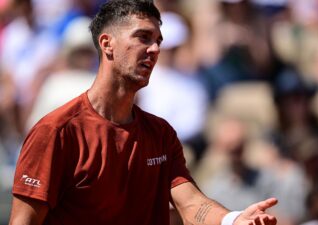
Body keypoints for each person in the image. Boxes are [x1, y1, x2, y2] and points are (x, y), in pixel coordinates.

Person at [8, 1, 278, 225]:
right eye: (143, 37)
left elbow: (192, 204)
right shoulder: (55, 131)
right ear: (107, 44)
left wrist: (233, 220)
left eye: (158, 41)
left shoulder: (160, 134)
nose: (155, 49)